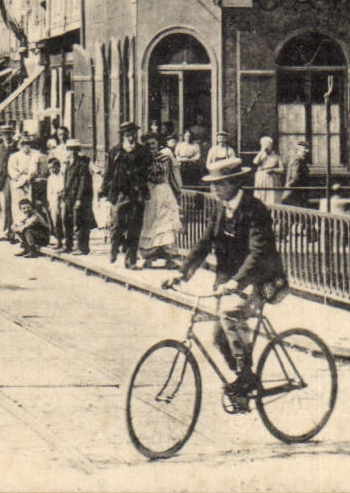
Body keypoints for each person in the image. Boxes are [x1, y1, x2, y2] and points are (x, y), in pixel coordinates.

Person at [164, 156, 289, 409]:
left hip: (263, 279)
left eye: (219, 184)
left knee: (231, 314)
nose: (214, 189)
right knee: (219, 337)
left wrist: (236, 282)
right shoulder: (220, 208)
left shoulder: (255, 209)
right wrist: (182, 273)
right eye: (213, 184)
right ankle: (245, 381)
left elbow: (258, 253)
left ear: (234, 183)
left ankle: (244, 379)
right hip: (232, 282)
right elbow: (204, 243)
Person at [102, 122, 150, 268]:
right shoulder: (115, 151)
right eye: (128, 135)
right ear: (123, 136)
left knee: (134, 228)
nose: (131, 137)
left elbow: (147, 171)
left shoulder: (142, 151)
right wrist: (104, 191)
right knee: (116, 225)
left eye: (134, 134)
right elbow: (108, 172)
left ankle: (131, 260)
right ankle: (114, 247)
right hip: (119, 193)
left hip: (137, 194)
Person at [138, 136, 184, 268]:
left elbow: (171, 176)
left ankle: (169, 256)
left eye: (153, 143)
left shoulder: (165, 157)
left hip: (164, 192)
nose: (151, 146)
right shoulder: (142, 160)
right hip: (150, 193)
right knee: (150, 223)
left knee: (166, 222)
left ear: (158, 144)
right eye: (148, 144)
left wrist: (178, 190)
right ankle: (149, 256)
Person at [59, 140, 96, 255]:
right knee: (67, 221)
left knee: (80, 222)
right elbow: (66, 182)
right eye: (70, 149)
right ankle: (68, 245)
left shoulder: (82, 164)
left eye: (74, 149)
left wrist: (79, 199)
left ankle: (82, 247)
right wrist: (64, 196)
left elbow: (84, 183)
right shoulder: (68, 164)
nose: (72, 152)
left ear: (78, 150)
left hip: (79, 197)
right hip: (69, 197)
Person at [6, 137, 44, 241]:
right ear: (20, 145)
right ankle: (18, 235)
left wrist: (29, 176)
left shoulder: (35, 155)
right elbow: (11, 170)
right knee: (17, 209)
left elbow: (35, 169)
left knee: (30, 208)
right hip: (18, 185)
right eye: (23, 144)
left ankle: (30, 234)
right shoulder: (14, 156)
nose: (26, 146)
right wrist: (21, 177)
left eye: (28, 144)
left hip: (30, 184)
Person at [280, 140, 313, 208]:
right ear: (299, 149)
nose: (307, 151)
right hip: (296, 192)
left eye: (308, 149)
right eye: (305, 149)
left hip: (298, 192)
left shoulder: (301, 160)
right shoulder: (297, 160)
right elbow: (295, 177)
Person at [253, 136, 284, 205]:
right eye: (265, 145)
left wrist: (273, 170)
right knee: (261, 196)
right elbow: (255, 162)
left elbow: (282, 169)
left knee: (271, 197)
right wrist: (262, 151)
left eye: (269, 145)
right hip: (261, 179)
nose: (267, 147)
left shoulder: (276, 156)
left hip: (271, 178)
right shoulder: (261, 155)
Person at [45, 156, 66, 247]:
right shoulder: (50, 178)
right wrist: (51, 203)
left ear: (58, 166)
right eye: (50, 168)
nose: (52, 170)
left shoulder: (64, 176)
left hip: (63, 200)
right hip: (54, 201)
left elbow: (66, 188)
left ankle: (68, 242)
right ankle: (59, 241)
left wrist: (61, 194)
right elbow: (49, 192)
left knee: (64, 220)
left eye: (53, 167)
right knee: (56, 221)